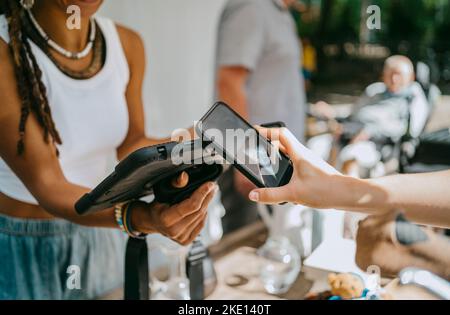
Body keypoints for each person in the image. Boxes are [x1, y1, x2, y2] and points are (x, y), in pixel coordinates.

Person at [0, 0, 216, 299]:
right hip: (25, 246)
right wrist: (138, 217)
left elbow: (131, 144)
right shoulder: (6, 49)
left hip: (100, 233)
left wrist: (194, 143)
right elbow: (48, 184)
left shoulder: (126, 44)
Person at [216, 0, 307, 231]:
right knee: (243, 251)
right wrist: (247, 158)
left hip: (277, 158)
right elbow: (229, 81)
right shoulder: (252, 7)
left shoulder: (283, 15)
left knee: (271, 243)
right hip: (256, 160)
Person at [248, 127, 450, 229]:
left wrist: (337, 188)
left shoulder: (409, 99)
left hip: (376, 141)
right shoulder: (373, 93)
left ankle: (346, 216)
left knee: (354, 154)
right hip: (348, 135)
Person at [314, 55, 430, 176]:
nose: (394, 79)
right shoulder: (374, 90)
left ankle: (342, 192)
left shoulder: (413, 99)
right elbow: (353, 114)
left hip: (378, 143)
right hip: (350, 132)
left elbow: (409, 130)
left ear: (411, 77)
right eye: (390, 74)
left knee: (352, 155)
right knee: (315, 146)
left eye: (398, 74)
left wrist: (370, 131)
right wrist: (333, 114)